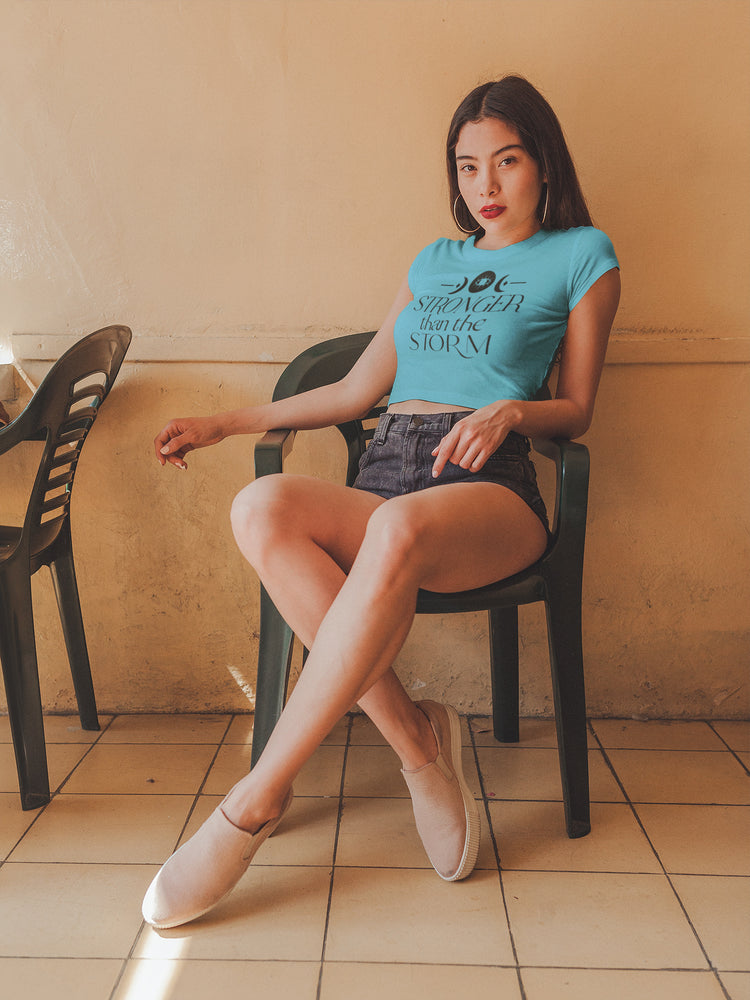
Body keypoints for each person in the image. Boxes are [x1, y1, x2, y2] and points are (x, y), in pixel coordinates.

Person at [143, 75, 620, 929]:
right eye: (468, 166)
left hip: (490, 485)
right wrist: (224, 421)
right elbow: (356, 390)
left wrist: (512, 410)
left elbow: (579, 408)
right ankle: (417, 740)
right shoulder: (432, 263)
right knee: (259, 507)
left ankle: (255, 800)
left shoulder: (583, 253)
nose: (485, 184)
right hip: (390, 466)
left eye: (507, 161)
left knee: (396, 528)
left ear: (543, 164)